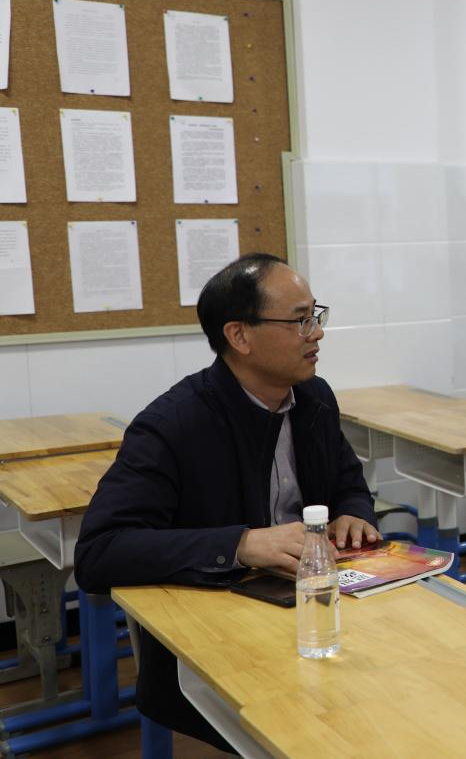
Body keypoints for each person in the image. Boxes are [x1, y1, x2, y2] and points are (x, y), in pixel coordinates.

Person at [75, 253, 379, 749]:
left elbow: (347, 481)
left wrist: (353, 512)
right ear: (239, 336)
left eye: (315, 316)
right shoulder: (173, 424)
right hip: (218, 638)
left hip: (311, 614)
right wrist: (240, 545)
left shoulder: (314, 398)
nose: (317, 333)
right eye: (300, 321)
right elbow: (99, 553)